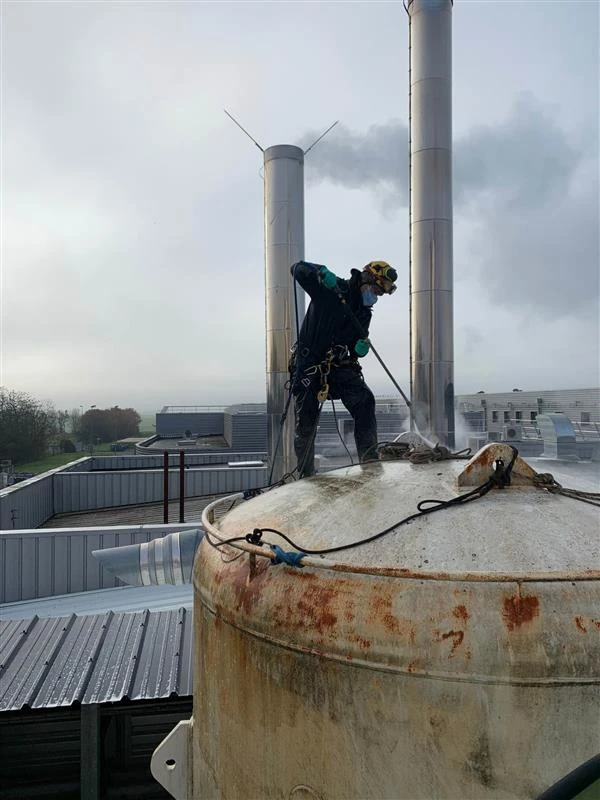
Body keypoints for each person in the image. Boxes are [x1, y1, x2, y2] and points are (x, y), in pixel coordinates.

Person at [289, 260, 398, 477]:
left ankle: (369, 464)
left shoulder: (364, 313)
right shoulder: (331, 290)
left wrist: (359, 349)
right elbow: (297, 269)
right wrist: (319, 271)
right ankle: (305, 475)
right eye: (376, 290)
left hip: (337, 367)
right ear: (367, 280)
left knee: (364, 401)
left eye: (380, 293)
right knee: (306, 422)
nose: (376, 296)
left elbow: (355, 346)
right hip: (309, 366)